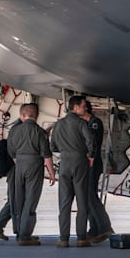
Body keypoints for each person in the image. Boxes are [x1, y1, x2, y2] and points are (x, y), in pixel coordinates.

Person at [7, 103, 56, 246]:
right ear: (37, 115)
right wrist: (52, 173)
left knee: (19, 199)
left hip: (19, 165)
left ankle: (18, 231)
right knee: (31, 200)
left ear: (23, 115)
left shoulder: (14, 131)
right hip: (34, 165)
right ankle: (25, 235)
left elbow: (11, 151)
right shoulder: (39, 132)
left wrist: (20, 161)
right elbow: (47, 155)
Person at [50, 95, 96, 247]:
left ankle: (63, 238)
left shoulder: (58, 124)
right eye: (83, 106)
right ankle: (81, 237)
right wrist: (90, 155)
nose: (85, 108)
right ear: (75, 107)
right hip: (79, 161)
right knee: (81, 200)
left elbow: (53, 146)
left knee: (64, 202)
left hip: (64, 162)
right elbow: (91, 141)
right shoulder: (82, 123)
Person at [81, 102, 114, 243]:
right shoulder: (87, 123)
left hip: (92, 163)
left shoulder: (94, 123)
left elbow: (91, 143)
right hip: (88, 163)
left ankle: (104, 226)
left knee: (89, 195)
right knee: (87, 196)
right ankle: (94, 229)